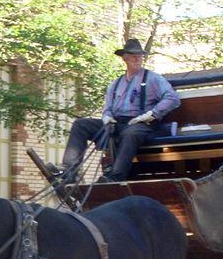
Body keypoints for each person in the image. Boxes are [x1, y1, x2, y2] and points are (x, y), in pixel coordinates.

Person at [59, 38, 181, 182]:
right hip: (117, 124)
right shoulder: (115, 84)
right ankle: (70, 171)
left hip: (141, 124)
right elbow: (108, 108)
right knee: (81, 125)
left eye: (139, 55)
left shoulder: (153, 78)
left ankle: (116, 176)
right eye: (133, 55)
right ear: (125, 58)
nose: (137, 58)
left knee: (130, 133)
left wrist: (151, 114)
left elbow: (173, 98)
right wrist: (107, 117)